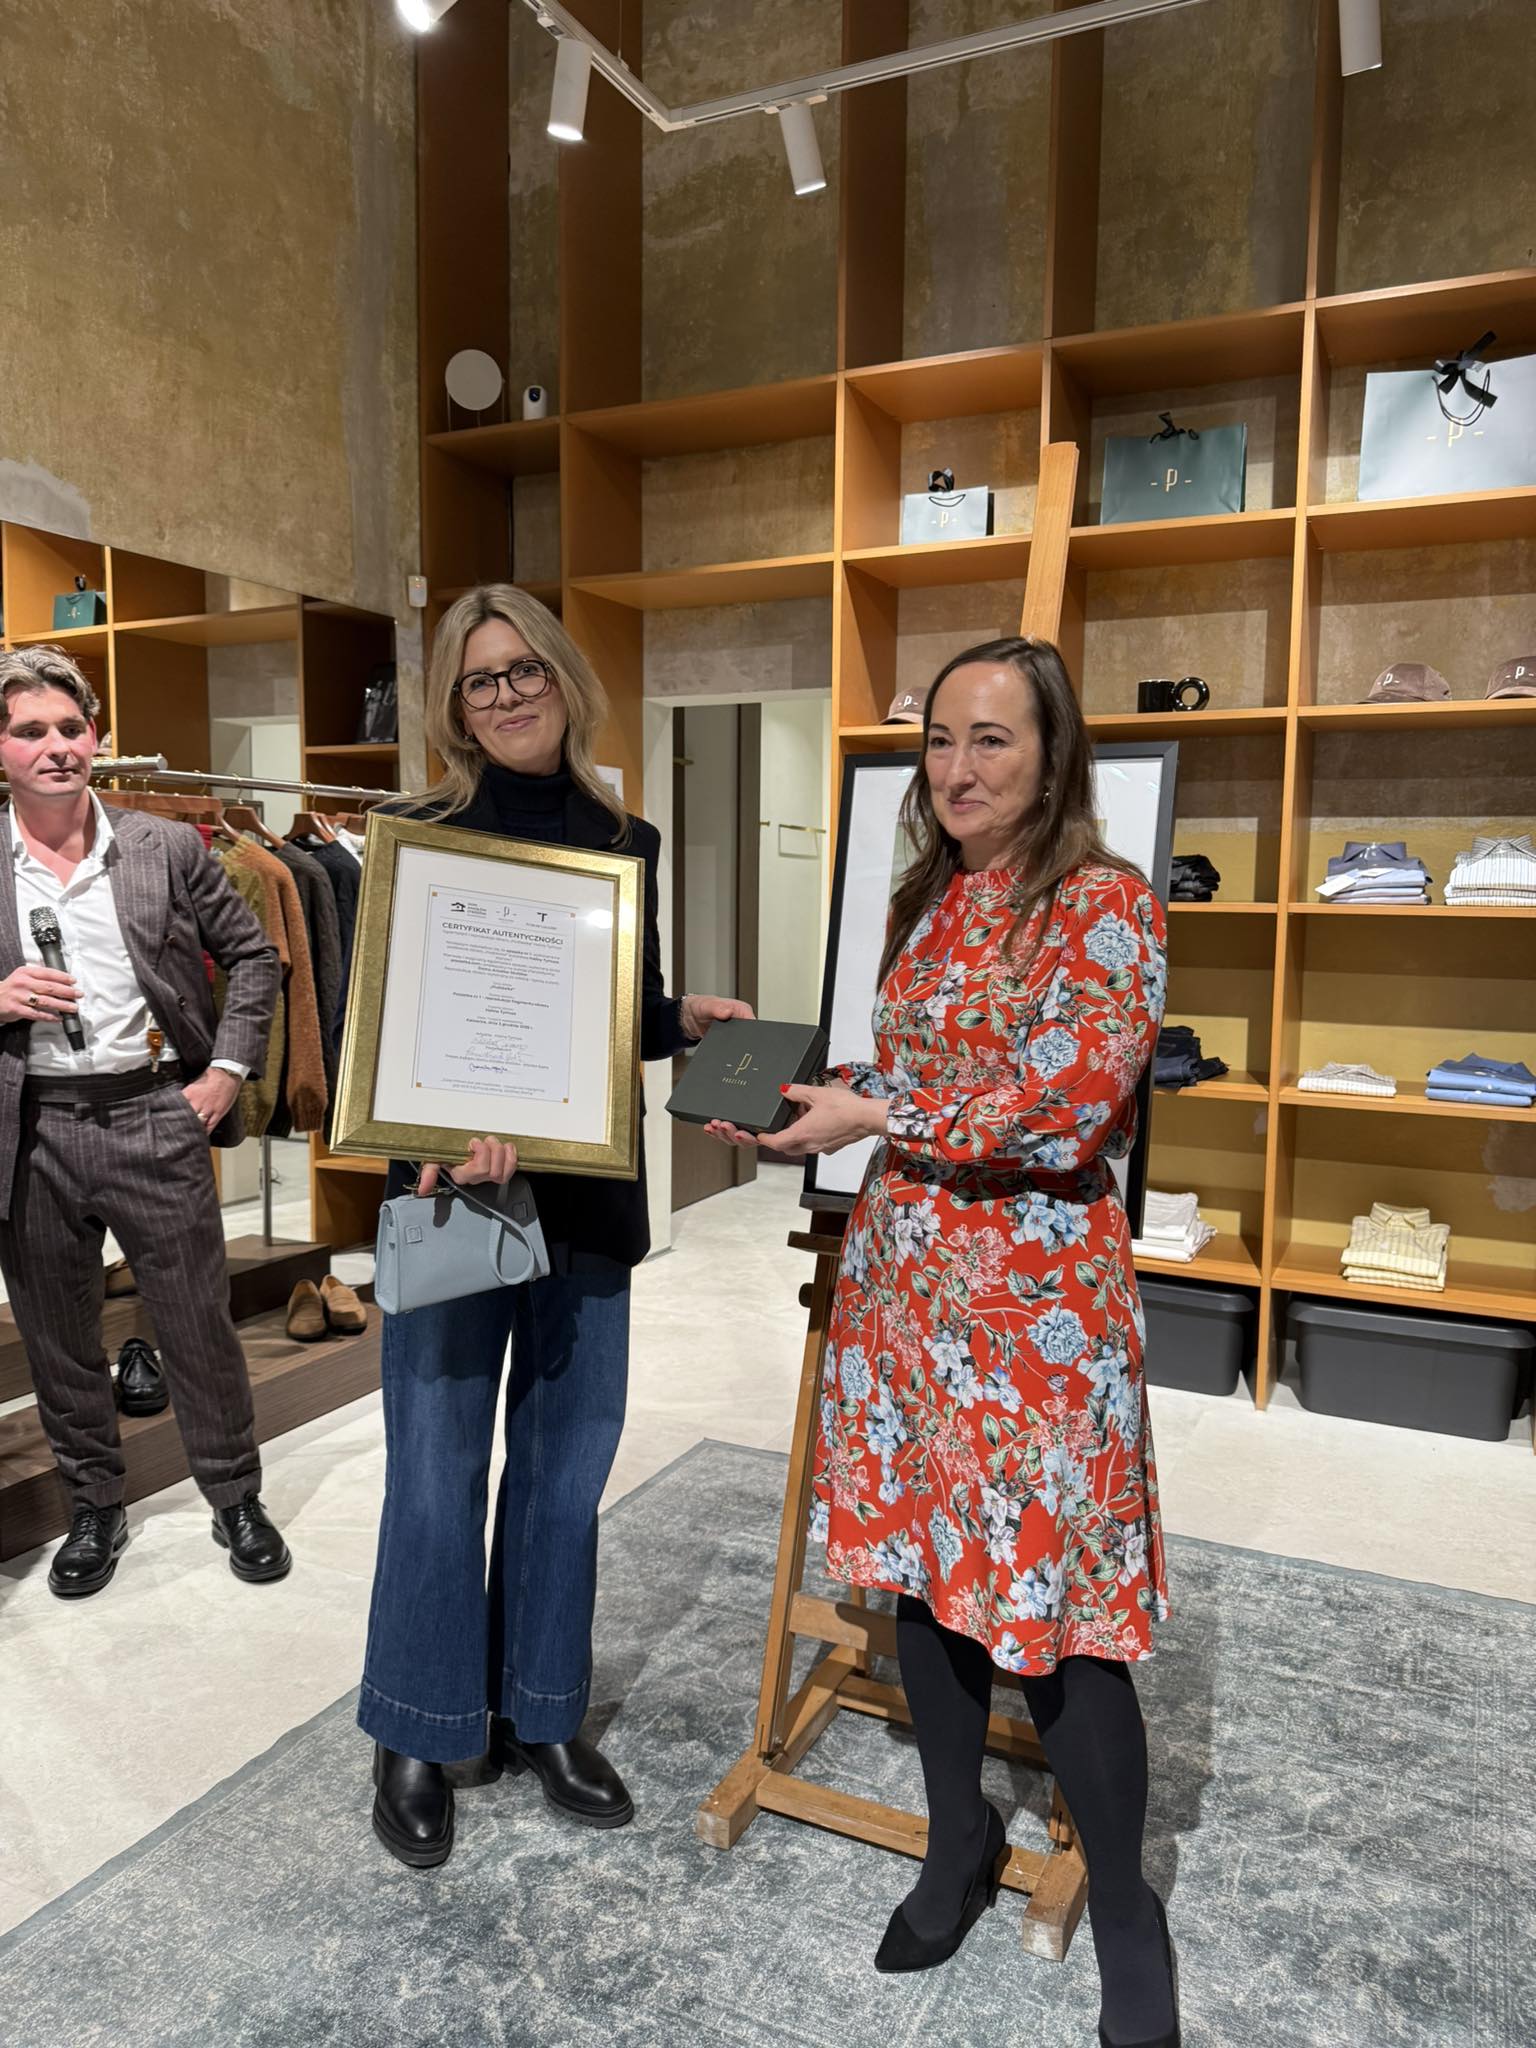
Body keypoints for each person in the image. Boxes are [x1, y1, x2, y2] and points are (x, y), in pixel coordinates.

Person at [709, 638, 1179, 2047]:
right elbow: (919, 1076)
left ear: (1052, 754)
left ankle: (1131, 1913)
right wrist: (824, 1099)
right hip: (908, 1289)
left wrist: (880, 1114)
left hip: (1036, 1315)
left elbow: (1070, 1106)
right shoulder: (934, 892)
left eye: (993, 739)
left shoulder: (1104, 902)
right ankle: (957, 1839)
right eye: (941, 740)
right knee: (925, 1573)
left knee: (1058, 1617)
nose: (959, 768)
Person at [360, 584, 751, 1869]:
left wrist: (681, 1019)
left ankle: (541, 1713)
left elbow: (615, 1005)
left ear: (564, 680)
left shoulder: (622, 837)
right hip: (451, 1191)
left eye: (526, 668)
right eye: (482, 678)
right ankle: (420, 1728)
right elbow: (388, 1024)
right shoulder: (415, 837)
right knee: (434, 1467)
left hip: (585, 1195)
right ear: (454, 705)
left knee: (564, 1471)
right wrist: (431, 1132)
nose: (509, 694)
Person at [0, 645, 289, 1597]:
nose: (55, 747)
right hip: (30, 1129)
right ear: (1, 747)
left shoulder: (162, 845)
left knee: (197, 1323)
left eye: (69, 728)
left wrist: (228, 1072)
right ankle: (94, 1507)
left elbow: (254, 955)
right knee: (58, 1336)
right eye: (30, 731)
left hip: (153, 1111)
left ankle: (235, 1496)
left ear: (97, 737)